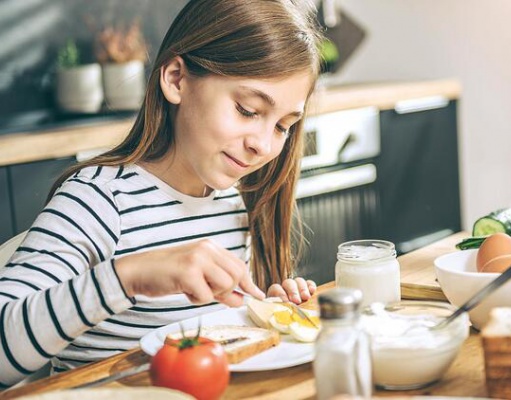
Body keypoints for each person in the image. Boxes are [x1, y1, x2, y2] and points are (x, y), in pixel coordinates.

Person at [0, 0, 322, 387]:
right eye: (247, 110)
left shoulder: (232, 201)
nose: (264, 146)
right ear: (175, 79)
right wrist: (128, 277)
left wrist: (263, 311)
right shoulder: (99, 199)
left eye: (283, 126)